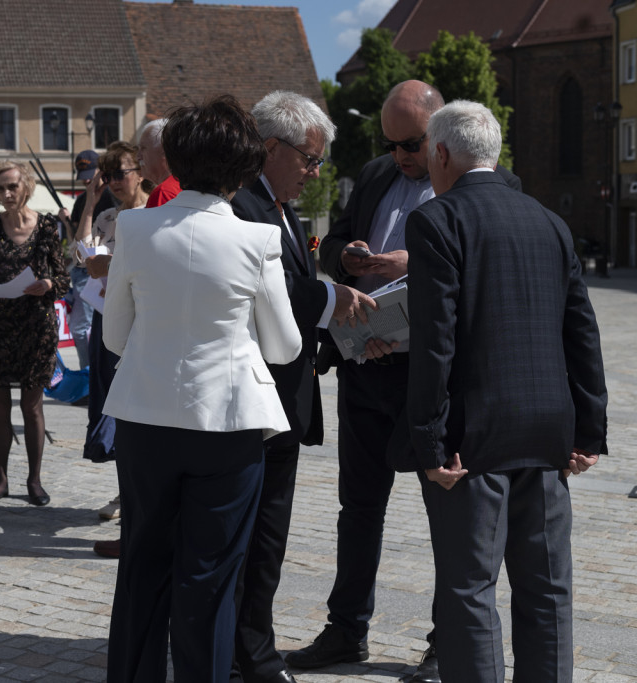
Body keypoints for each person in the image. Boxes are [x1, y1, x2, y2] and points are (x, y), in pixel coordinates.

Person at [289, 80, 520, 682]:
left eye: (412, 144)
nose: (400, 157)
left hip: (436, 375)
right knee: (357, 507)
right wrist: (350, 258)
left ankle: (450, 640)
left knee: (447, 513)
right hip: (369, 365)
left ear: (441, 131)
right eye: (390, 145)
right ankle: (346, 631)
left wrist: (411, 260)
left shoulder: (486, 180)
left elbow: (481, 253)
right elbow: (333, 239)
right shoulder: (374, 176)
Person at [103, 95, 303, 683]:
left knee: (143, 566)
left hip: (146, 415)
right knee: (211, 578)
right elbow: (286, 346)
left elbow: (115, 335)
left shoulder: (136, 226)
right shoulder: (257, 239)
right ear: (244, 169)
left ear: (174, 160)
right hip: (229, 423)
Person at [406, 100, 607, 683]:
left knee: (469, 588)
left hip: (472, 439)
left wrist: (430, 444)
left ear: (441, 153)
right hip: (547, 433)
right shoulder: (550, 221)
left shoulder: (438, 220)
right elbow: (582, 330)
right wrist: (587, 430)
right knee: (547, 588)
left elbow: (435, 343)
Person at [229, 90, 373, 683]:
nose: (316, 173)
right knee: (254, 540)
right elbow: (273, 295)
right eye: (310, 160)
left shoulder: (278, 206)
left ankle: (246, 648)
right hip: (255, 400)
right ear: (270, 149)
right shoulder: (243, 206)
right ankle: (250, 657)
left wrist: (352, 335)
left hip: (284, 399)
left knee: (267, 538)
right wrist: (332, 297)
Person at [0, 161, 70, 507]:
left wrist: (49, 284)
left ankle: (35, 480)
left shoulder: (46, 227)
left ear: (26, 187)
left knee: (32, 406)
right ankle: (0, 480)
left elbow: (63, 277)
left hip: (35, 328)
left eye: (12, 187)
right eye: (0, 189)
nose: (7, 194)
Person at [75, 141, 150, 558]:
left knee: (138, 409)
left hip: (144, 320)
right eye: (108, 176)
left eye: (120, 173)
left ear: (140, 171)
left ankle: (138, 498)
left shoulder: (153, 213)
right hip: (109, 315)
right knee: (113, 405)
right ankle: (125, 492)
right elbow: (82, 253)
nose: (115, 182)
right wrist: (89, 202)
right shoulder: (106, 216)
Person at [59, 150, 115, 370]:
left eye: (90, 173)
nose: (86, 179)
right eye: (82, 174)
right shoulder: (82, 200)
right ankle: (88, 375)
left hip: (107, 268)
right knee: (83, 329)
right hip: (84, 269)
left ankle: (89, 376)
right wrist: (65, 223)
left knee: (85, 329)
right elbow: (77, 245)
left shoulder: (113, 195)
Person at [137, 118, 181, 207]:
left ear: (164, 150)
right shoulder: (185, 185)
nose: (138, 156)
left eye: (143, 148)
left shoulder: (164, 193)